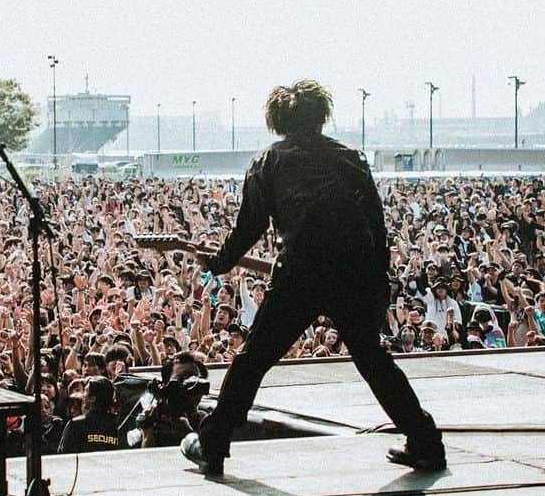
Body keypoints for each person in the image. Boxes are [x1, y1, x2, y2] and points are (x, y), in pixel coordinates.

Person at [181, 80, 445, 475]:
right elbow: (376, 226)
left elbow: (248, 228)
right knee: (372, 359)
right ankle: (425, 442)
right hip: (354, 272)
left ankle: (213, 441)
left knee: (253, 360)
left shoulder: (268, 162)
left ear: (278, 119)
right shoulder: (350, 158)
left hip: (300, 274)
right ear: (321, 115)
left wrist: (217, 263)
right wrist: (378, 284)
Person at [57, 376, 121, 453]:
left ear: (92, 398)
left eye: (85, 391)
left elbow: (64, 455)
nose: (83, 395)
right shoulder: (119, 423)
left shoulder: (75, 425)